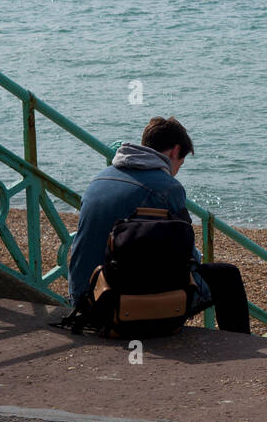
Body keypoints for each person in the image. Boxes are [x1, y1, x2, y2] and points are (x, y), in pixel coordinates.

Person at [67, 116, 251, 334]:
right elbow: (189, 258)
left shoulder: (100, 178)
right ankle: (242, 346)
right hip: (115, 302)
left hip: (82, 297)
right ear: (175, 151)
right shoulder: (167, 188)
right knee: (227, 277)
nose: (176, 171)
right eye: (180, 164)